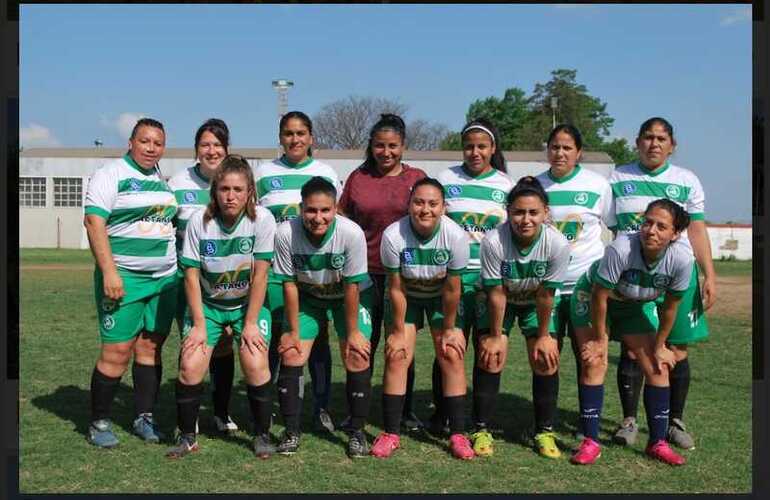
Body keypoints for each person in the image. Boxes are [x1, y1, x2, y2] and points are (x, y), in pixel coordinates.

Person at [608, 117, 715, 451]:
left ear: (672, 145)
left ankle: (674, 422)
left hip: (676, 278)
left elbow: (696, 229)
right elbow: (605, 226)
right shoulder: (616, 178)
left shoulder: (686, 180)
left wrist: (708, 272)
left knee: (677, 350)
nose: (654, 144)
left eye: (661, 138)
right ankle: (629, 421)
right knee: (632, 348)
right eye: (648, 138)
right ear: (637, 142)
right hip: (633, 276)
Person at [166, 155, 277, 459]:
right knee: (190, 366)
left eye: (238, 189)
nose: (231, 196)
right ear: (214, 190)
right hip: (208, 306)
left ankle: (262, 434)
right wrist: (199, 325)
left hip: (246, 306)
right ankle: (188, 436)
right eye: (224, 189)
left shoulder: (263, 220)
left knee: (254, 363)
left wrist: (251, 322)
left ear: (250, 191)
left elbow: (261, 274)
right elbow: (190, 276)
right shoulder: (199, 223)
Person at [569, 199, 693, 466]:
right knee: (594, 362)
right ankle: (590, 442)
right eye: (648, 222)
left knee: (658, 368)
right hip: (592, 299)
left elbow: (670, 308)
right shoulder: (622, 248)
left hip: (632, 305)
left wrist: (660, 345)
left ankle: (657, 442)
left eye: (661, 226)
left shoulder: (682, 260)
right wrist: (600, 339)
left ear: (675, 233)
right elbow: (599, 296)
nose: (651, 230)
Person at [84, 117, 177, 448]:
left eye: (158, 143)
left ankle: (144, 417)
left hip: (165, 279)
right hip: (125, 277)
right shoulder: (111, 174)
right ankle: (99, 421)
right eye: (145, 141)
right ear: (131, 142)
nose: (152, 148)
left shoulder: (160, 179)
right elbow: (94, 222)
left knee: (150, 346)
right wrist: (109, 271)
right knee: (117, 350)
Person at [370, 178, 473, 460]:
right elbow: (395, 286)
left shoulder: (455, 236)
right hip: (408, 296)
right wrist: (398, 330)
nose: (425, 209)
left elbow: (453, 288)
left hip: (441, 297)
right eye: (418, 202)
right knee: (397, 354)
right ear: (409, 204)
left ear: (443, 207)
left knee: (451, 353)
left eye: (432, 203)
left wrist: (451, 329)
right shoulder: (393, 235)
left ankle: (458, 434)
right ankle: (391, 433)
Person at [272, 176, 374, 458]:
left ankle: (356, 432)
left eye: (325, 210)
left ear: (336, 208)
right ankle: (291, 431)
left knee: (356, 353)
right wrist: (292, 331)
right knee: (292, 353)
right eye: (311, 210)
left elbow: (353, 286)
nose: (318, 217)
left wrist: (353, 332)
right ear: (300, 208)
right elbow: (289, 284)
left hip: (347, 298)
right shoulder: (285, 233)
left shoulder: (351, 233)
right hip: (309, 297)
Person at [337, 113, 427, 431]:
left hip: (402, 276)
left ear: (403, 146)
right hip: (362, 275)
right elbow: (341, 217)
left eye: (392, 146)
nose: (385, 152)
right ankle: (356, 410)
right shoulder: (357, 178)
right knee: (362, 342)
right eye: (379, 145)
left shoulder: (416, 177)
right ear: (371, 146)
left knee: (400, 341)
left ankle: (404, 410)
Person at [253, 111, 340, 433]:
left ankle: (321, 407)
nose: (295, 139)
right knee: (277, 338)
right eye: (289, 133)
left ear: (311, 137)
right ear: (280, 137)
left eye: (301, 133)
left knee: (317, 340)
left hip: (314, 270)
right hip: (276, 271)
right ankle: (277, 404)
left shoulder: (325, 172)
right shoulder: (264, 173)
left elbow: (333, 219)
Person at [475, 176, 571, 458]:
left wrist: (543, 336)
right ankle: (481, 429)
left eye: (533, 212)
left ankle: (545, 431)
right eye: (518, 212)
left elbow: (546, 295)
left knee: (545, 359)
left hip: (534, 302)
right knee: (491, 356)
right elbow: (496, 293)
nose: (525, 219)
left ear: (546, 213)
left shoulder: (557, 244)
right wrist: (494, 336)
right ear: (508, 212)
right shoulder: (493, 241)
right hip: (500, 298)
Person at [435, 118, 514, 444]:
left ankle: (482, 422)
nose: (475, 152)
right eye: (469, 146)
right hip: (451, 277)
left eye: (482, 146)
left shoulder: (506, 185)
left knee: (487, 348)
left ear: (493, 149)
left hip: (488, 280)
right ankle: (443, 415)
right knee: (449, 346)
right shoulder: (445, 179)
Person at [534, 124, 615, 438]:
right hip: (548, 288)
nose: (560, 153)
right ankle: (546, 425)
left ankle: (587, 425)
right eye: (555, 147)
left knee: (589, 356)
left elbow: (617, 229)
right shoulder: (535, 185)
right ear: (547, 150)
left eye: (567, 147)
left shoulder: (598, 185)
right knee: (546, 357)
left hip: (586, 289)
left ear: (579, 152)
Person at [167, 118, 239, 434]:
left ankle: (221, 413)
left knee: (223, 345)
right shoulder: (178, 182)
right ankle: (189, 417)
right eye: (205, 145)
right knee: (192, 343)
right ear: (197, 149)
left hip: (227, 280)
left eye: (217, 145)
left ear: (226, 149)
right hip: (190, 277)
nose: (211, 151)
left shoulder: (236, 181)